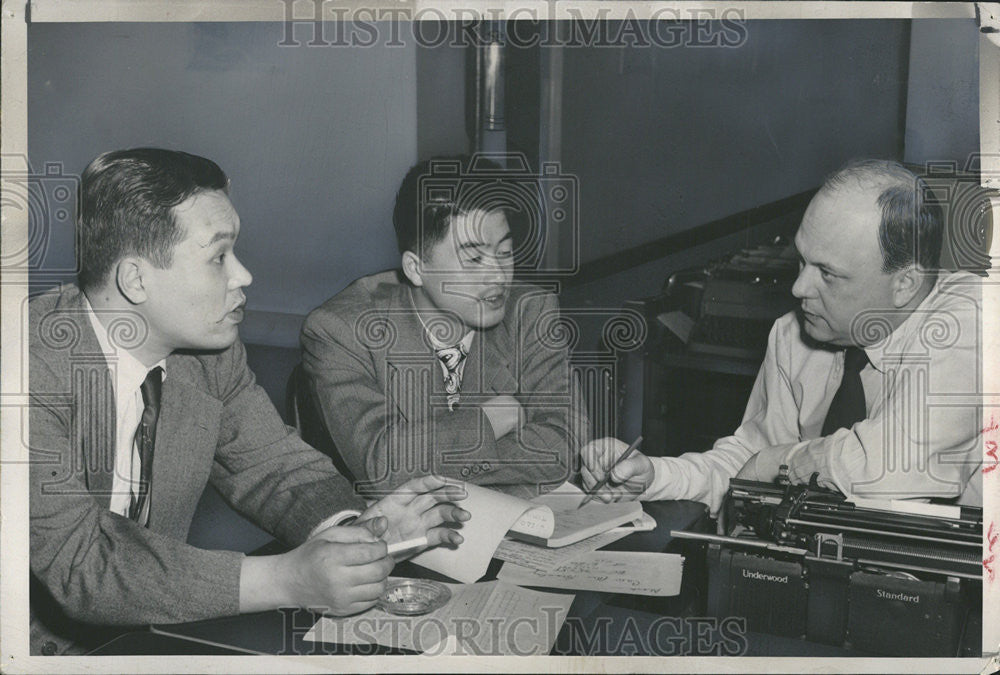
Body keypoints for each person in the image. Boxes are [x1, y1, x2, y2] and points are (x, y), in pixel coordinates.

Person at [29, 148, 470, 655]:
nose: (243, 276)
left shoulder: (208, 353)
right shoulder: (25, 367)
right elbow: (84, 564)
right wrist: (283, 579)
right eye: (219, 257)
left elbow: (272, 465)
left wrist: (359, 532)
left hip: (144, 638)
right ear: (135, 280)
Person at [581, 159, 983, 515]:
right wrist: (653, 475)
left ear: (905, 284)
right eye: (802, 261)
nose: (799, 288)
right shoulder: (796, 333)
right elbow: (746, 461)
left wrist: (780, 464)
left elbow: (883, 468)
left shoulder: (972, 321)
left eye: (827, 274)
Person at [301, 156, 590, 500]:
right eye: (473, 260)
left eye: (505, 251)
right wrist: (491, 421)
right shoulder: (342, 329)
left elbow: (567, 445)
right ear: (416, 268)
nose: (498, 276)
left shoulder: (531, 312)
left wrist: (428, 460)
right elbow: (381, 468)